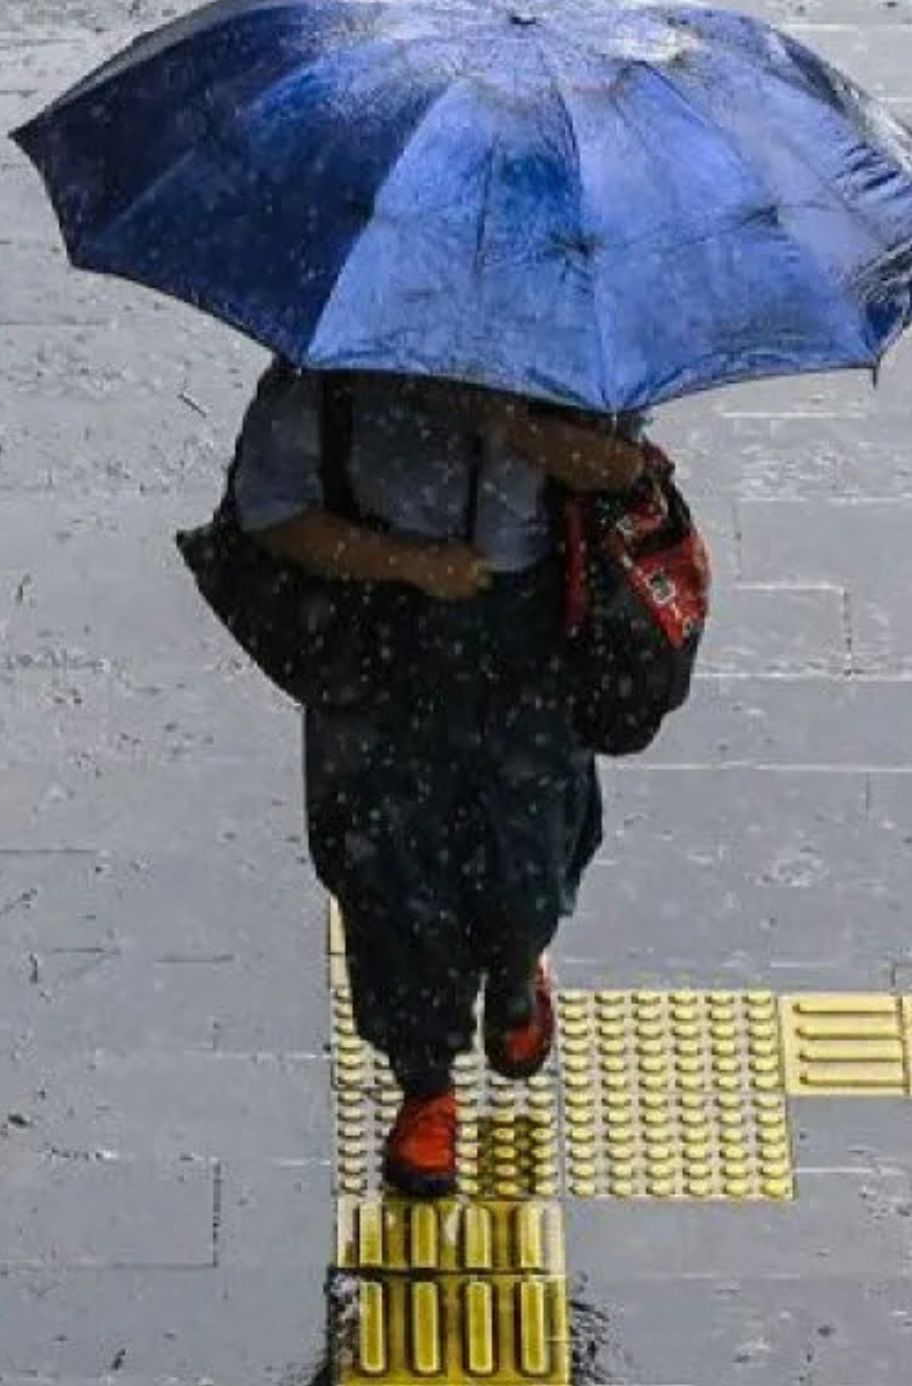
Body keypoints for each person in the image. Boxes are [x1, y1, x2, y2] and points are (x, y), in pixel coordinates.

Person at [230, 358, 648, 1196]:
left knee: (531, 847)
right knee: (386, 869)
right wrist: (406, 564)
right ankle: (425, 1084)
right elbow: (270, 511)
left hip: (528, 641)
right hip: (384, 647)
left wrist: (510, 425)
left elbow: (626, 471)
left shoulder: (567, 347)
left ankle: (515, 965)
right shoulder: (335, 361)